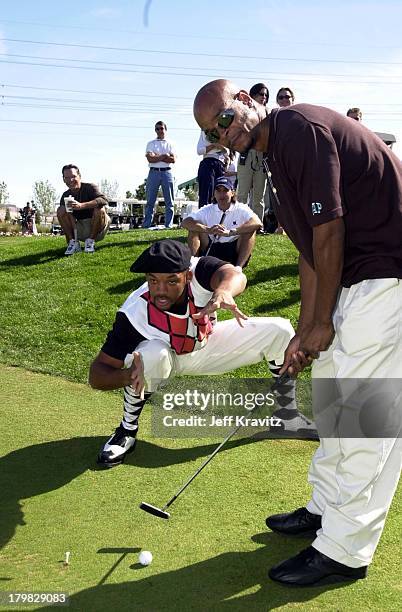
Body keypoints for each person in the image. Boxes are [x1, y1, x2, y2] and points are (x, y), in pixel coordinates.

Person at [194, 79, 402, 586]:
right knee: (332, 396)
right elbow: (310, 254)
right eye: (211, 134)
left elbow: (330, 232)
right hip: (356, 276)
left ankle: (344, 549)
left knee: (363, 417)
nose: (223, 135)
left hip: (388, 274)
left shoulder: (298, 128)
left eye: (223, 119)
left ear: (246, 99)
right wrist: (306, 332)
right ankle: (325, 507)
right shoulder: (275, 157)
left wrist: (320, 322)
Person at [90, 239, 317, 468]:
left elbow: (233, 274)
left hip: (206, 345)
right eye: (153, 281)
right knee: (150, 356)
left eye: (171, 281)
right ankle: (127, 430)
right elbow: (97, 374)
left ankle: (287, 417)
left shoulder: (198, 271)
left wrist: (224, 292)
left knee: (280, 331)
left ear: (186, 275)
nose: (160, 290)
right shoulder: (133, 314)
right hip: (166, 361)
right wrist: (128, 375)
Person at [181, 176, 261, 269]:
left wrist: (231, 232)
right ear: (214, 193)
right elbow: (185, 222)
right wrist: (208, 230)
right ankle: (192, 267)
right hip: (211, 247)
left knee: (250, 231)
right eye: (218, 190)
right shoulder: (207, 209)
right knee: (194, 229)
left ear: (232, 193)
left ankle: (238, 268)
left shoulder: (241, 208)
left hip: (233, 249)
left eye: (225, 190)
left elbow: (257, 222)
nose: (221, 194)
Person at [57, 164, 109, 255]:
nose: (71, 180)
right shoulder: (65, 195)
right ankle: (73, 243)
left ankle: (90, 242)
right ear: (63, 179)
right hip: (80, 228)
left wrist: (81, 206)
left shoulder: (90, 187)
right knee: (61, 210)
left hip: (98, 227)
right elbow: (66, 216)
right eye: (67, 177)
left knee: (100, 209)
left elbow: (103, 200)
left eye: (73, 176)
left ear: (79, 176)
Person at [236, 83, 269, 222]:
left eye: (266, 95)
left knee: (258, 195)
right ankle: (238, 222)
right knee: (242, 193)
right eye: (261, 94)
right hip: (247, 154)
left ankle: (257, 224)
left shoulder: (269, 113)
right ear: (253, 94)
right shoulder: (244, 110)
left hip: (262, 156)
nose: (264, 97)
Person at [142, 121, 176, 228]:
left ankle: (168, 225)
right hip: (153, 172)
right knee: (150, 201)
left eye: (161, 128)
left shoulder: (170, 143)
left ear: (165, 129)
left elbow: (173, 159)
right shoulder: (151, 143)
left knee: (169, 201)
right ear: (155, 130)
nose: (159, 131)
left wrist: (157, 156)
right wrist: (164, 156)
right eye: (157, 129)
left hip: (167, 172)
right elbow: (150, 159)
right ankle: (147, 225)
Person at [196, 130, 228, 207]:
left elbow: (227, 152)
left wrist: (221, 147)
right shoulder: (204, 131)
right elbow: (199, 151)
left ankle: (217, 218)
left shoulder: (224, 131)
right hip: (207, 163)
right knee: (205, 195)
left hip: (220, 165)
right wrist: (214, 145)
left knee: (220, 195)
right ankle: (203, 218)